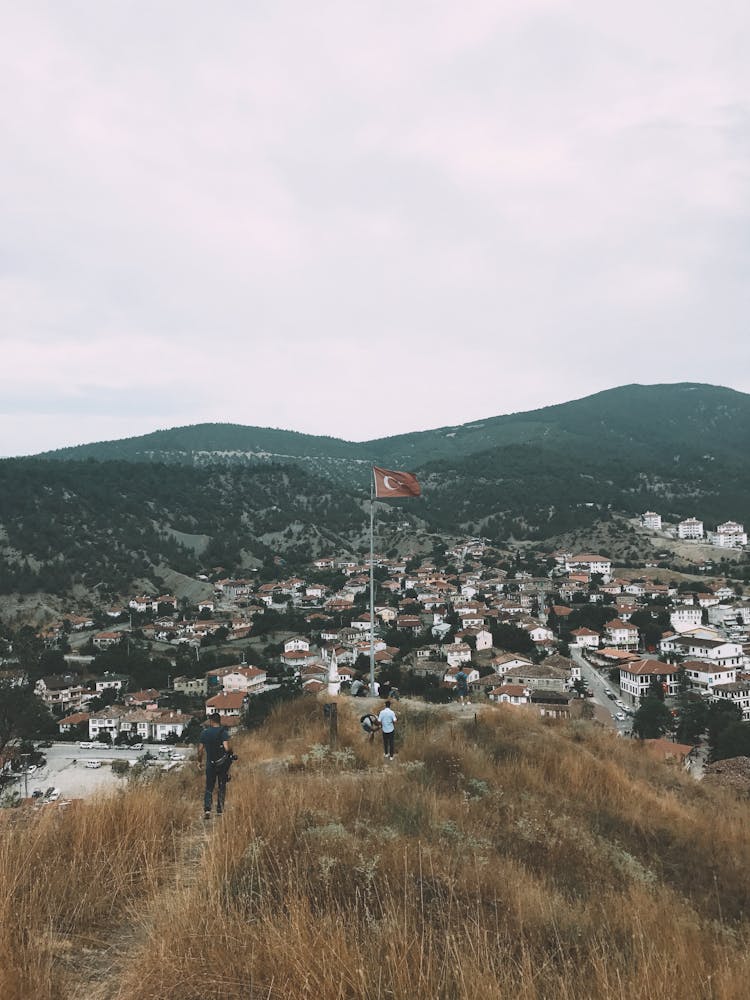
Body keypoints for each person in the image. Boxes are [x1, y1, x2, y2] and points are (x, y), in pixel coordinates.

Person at [197, 711, 232, 819]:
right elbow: (226, 748)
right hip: (222, 764)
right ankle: (220, 810)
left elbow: (200, 750)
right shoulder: (223, 732)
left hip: (210, 764)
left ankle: (207, 810)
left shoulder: (205, 733)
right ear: (219, 721)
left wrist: (199, 761)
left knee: (209, 787)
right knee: (221, 786)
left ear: (211, 721)